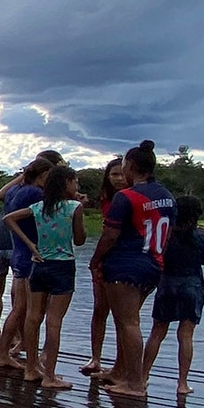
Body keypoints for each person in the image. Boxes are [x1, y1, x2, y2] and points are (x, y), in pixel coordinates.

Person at [89, 140, 176, 398]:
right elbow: (168, 234)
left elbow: (110, 236)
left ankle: (135, 383)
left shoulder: (126, 197)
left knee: (128, 323)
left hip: (126, 265)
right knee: (127, 322)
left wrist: (96, 261)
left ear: (133, 166)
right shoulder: (168, 197)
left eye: (125, 165)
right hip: (153, 264)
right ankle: (119, 371)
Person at [4, 165, 86, 388]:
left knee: (33, 317)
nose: (76, 186)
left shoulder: (38, 207)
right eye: (75, 182)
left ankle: (31, 369)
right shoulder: (73, 207)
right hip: (62, 266)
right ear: (67, 183)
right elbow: (79, 240)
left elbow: (9, 218)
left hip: (38, 266)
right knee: (54, 321)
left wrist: (30, 244)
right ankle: (49, 375)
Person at [142, 196, 204, 395]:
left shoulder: (166, 235)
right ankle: (182, 383)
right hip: (192, 284)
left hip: (167, 283)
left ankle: (143, 375)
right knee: (186, 335)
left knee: (157, 332)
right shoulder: (202, 236)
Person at [0, 158, 55, 370]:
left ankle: (4, 352)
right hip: (30, 255)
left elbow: (1, 195)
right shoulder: (36, 194)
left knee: (19, 308)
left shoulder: (15, 191)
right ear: (44, 175)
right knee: (30, 312)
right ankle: (30, 360)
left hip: (19, 253)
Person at [81, 157, 130, 377]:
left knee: (123, 315)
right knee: (100, 309)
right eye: (114, 175)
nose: (118, 179)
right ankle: (95, 358)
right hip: (104, 260)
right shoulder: (106, 199)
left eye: (122, 174)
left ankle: (121, 364)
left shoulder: (131, 198)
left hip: (123, 260)